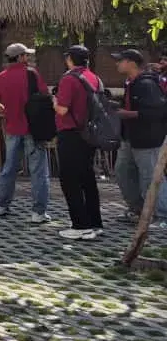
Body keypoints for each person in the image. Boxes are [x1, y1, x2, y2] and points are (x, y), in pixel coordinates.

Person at [0, 43, 51, 222]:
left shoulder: (0, 77)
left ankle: (0, 205)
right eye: (25, 55)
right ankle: (38, 212)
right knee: (38, 170)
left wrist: (7, 112)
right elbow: (45, 96)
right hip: (33, 129)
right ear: (19, 58)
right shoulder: (32, 74)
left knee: (9, 168)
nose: (28, 58)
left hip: (12, 128)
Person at [53, 45, 104, 240]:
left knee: (69, 179)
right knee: (87, 178)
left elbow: (62, 109)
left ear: (69, 59)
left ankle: (80, 225)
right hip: (90, 134)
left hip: (71, 133)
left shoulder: (69, 78)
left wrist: (54, 101)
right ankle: (95, 223)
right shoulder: (95, 78)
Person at [112, 49, 167, 226]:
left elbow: (156, 112)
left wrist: (127, 114)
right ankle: (138, 209)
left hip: (148, 139)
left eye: (121, 60)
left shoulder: (147, 84)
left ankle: (161, 215)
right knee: (122, 172)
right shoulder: (131, 82)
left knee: (150, 177)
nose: (117, 64)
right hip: (130, 137)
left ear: (132, 63)